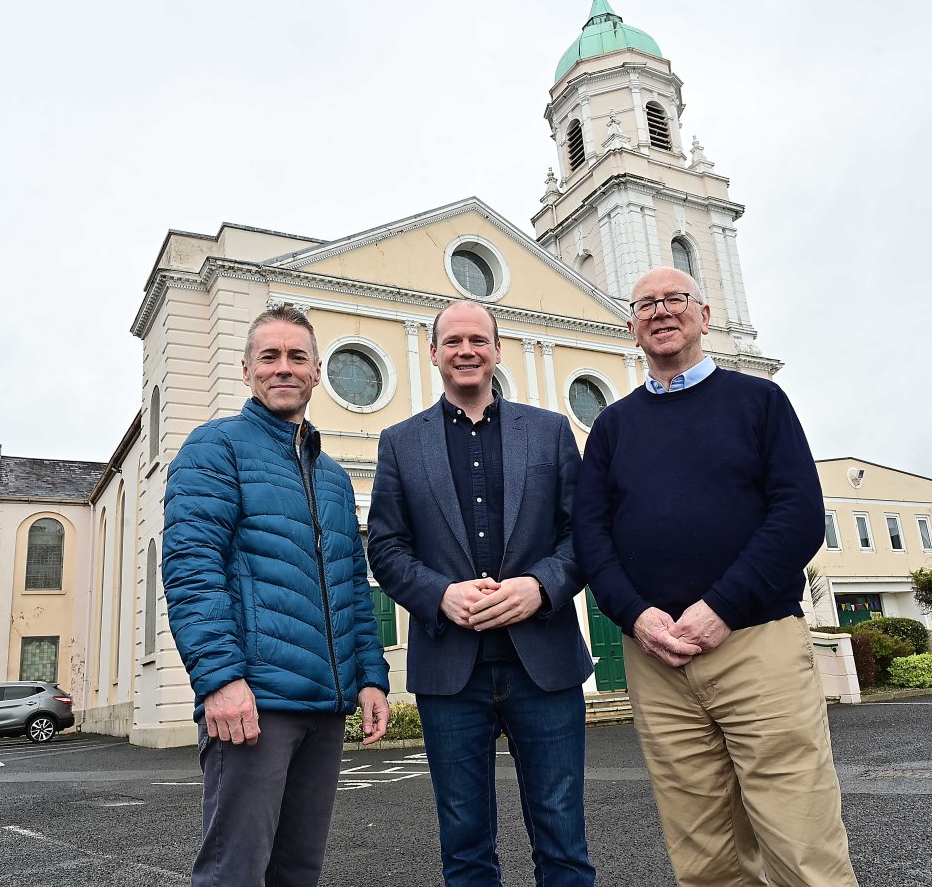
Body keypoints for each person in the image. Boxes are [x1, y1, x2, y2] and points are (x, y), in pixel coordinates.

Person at [574, 267, 858, 887]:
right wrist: (637, 615)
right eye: (646, 304)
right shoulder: (613, 428)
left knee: (799, 837)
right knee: (703, 851)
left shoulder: (759, 402)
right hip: (657, 657)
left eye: (676, 298)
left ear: (703, 316)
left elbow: (799, 515)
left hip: (754, 641)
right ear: (631, 327)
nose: (660, 311)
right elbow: (591, 537)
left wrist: (721, 607)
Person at [368, 300, 596, 886]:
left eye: (478, 340)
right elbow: (386, 549)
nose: (466, 351)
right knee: (465, 846)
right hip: (451, 672)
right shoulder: (399, 443)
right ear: (435, 352)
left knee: (563, 838)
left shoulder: (549, 433)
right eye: (453, 342)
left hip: (544, 667)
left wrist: (540, 587)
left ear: (497, 349)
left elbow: (585, 536)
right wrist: (440, 595)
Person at [163, 304, 390, 887]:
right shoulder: (215, 449)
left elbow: (351, 588)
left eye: (297, 357)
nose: (283, 368)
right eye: (269, 357)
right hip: (252, 705)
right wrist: (220, 679)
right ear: (246, 370)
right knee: (235, 871)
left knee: (298, 871)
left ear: (317, 371)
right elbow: (192, 571)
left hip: (325, 705)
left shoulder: (334, 478)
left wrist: (370, 677)